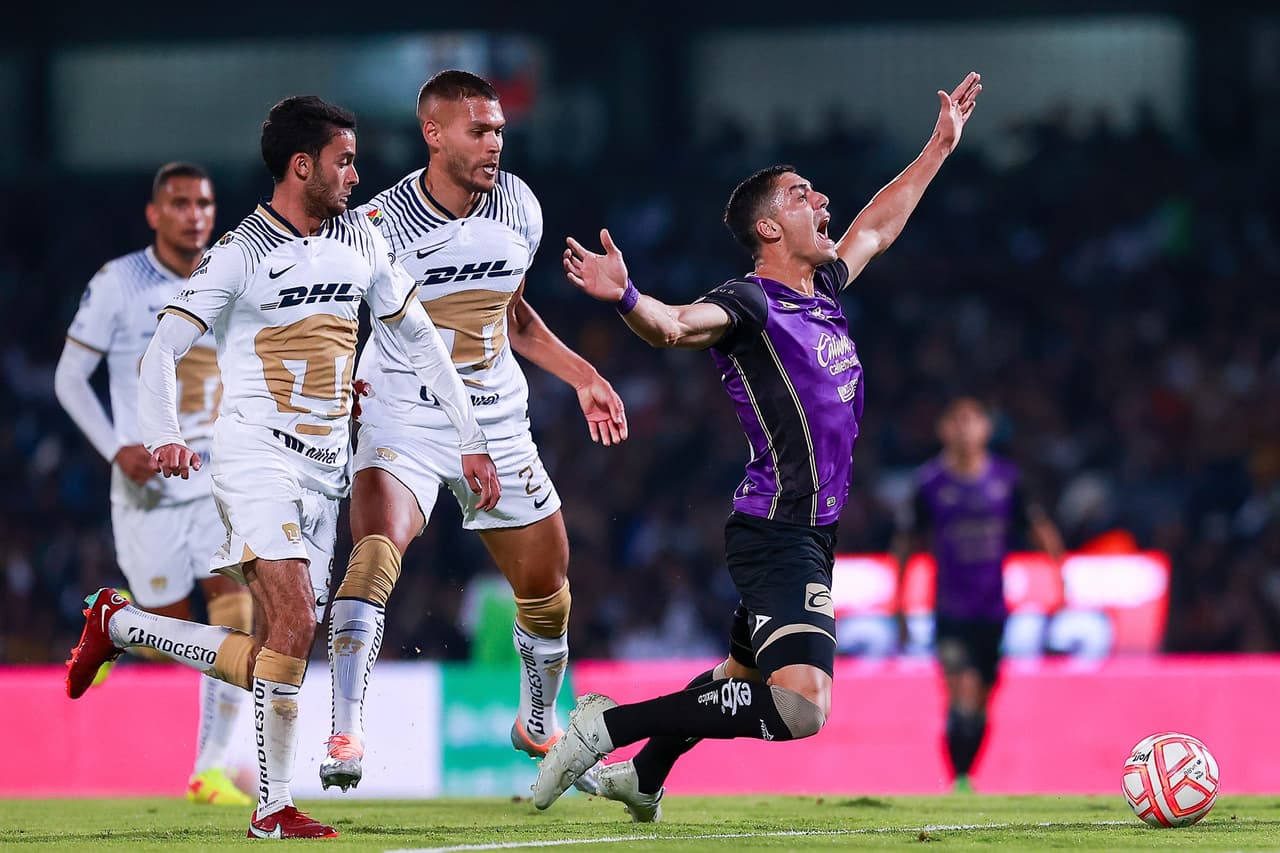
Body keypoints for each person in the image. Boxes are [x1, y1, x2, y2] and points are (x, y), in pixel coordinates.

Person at [531, 73, 984, 820]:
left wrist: (938, 145)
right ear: (769, 227)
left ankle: (645, 777)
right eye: (805, 194)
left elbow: (878, 224)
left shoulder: (824, 289)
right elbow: (675, 325)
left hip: (810, 528)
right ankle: (604, 726)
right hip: (778, 532)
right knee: (801, 707)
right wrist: (627, 297)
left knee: (734, 674)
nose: (824, 202)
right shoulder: (750, 300)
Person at [64, 95, 499, 840]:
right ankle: (271, 810)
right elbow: (162, 347)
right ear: (303, 166)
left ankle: (122, 622)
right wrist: (162, 431)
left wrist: (471, 435)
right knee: (297, 617)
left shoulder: (361, 242)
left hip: (326, 468)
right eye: (344, 161)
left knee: (276, 649)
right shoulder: (239, 252)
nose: (357, 174)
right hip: (253, 457)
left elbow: (422, 338)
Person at [319, 69, 626, 794]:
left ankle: (536, 720)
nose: (495, 144)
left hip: (494, 415)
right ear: (434, 134)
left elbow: (512, 316)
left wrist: (582, 374)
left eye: (500, 132)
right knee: (374, 552)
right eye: (479, 131)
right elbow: (331, 320)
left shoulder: (519, 205)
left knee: (549, 585)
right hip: (403, 410)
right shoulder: (379, 223)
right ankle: (344, 729)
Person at [54, 162, 254, 807]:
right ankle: (114, 621)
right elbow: (68, 380)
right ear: (154, 214)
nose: (195, 214)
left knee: (234, 608)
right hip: (145, 491)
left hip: (216, 478)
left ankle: (210, 768)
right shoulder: (119, 283)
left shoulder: (230, 271)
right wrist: (117, 448)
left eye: (204, 203)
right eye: (180, 203)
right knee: (169, 635)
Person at [892, 395, 1064, 793]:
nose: (965, 428)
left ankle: (965, 776)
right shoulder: (929, 484)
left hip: (993, 610)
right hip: (950, 610)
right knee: (962, 693)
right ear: (943, 430)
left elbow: (1038, 526)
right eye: (956, 420)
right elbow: (905, 543)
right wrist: (900, 606)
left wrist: (1060, 575)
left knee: (984, 701)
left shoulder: (1007, 479)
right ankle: (958, 780)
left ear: (987, 428)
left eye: (972, 420)